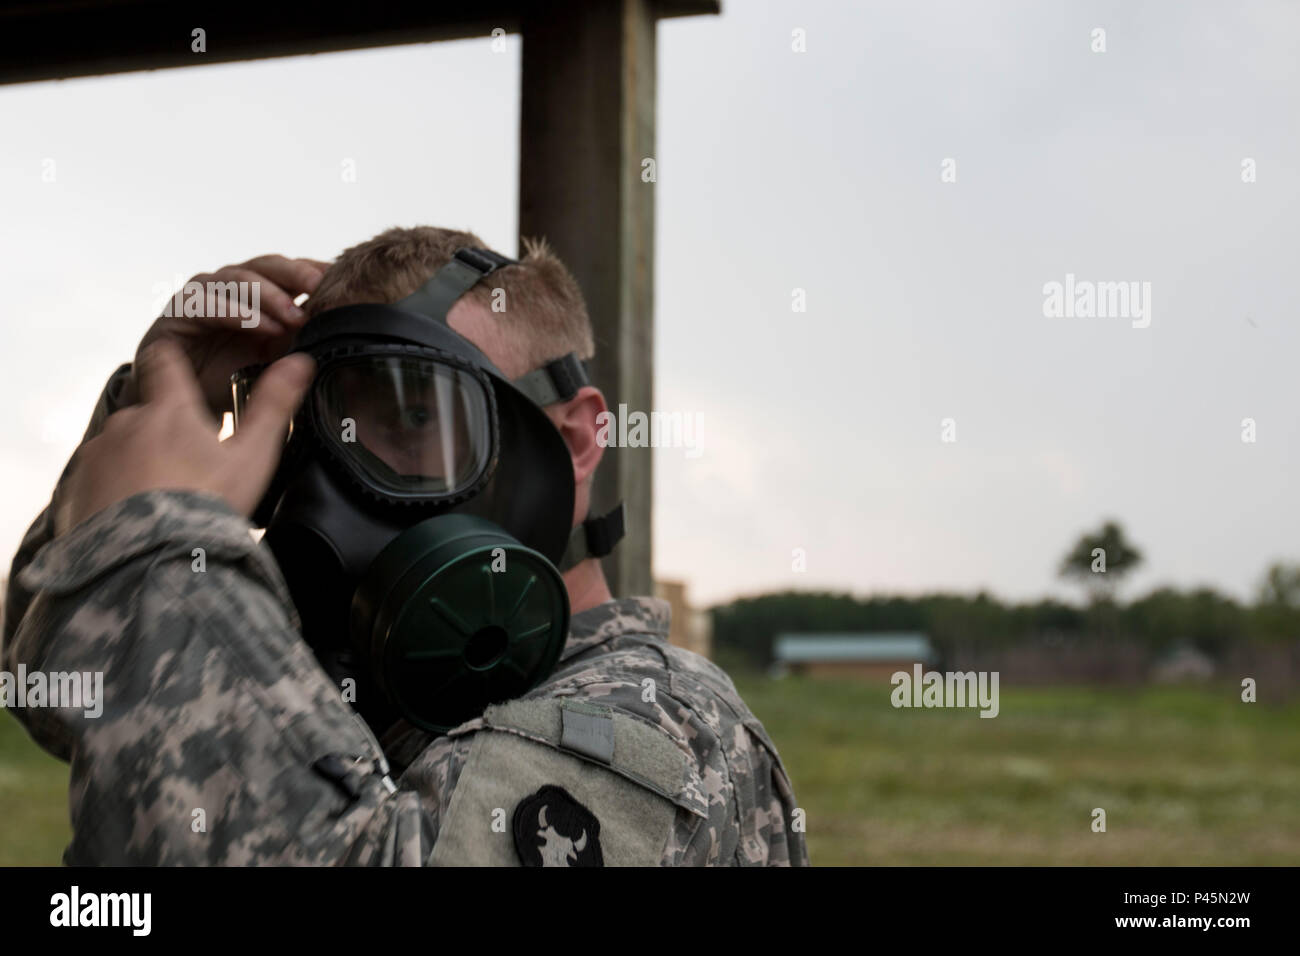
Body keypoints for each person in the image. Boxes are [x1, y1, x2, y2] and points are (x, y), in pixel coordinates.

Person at [1, 226, 809, 866]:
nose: (332, 488)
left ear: (572, 439)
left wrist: (160, 548)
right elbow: (69, 700)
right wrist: (147, 410)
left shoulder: (660, 728)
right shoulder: (377, 697)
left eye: (415, 416)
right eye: (308, 433)